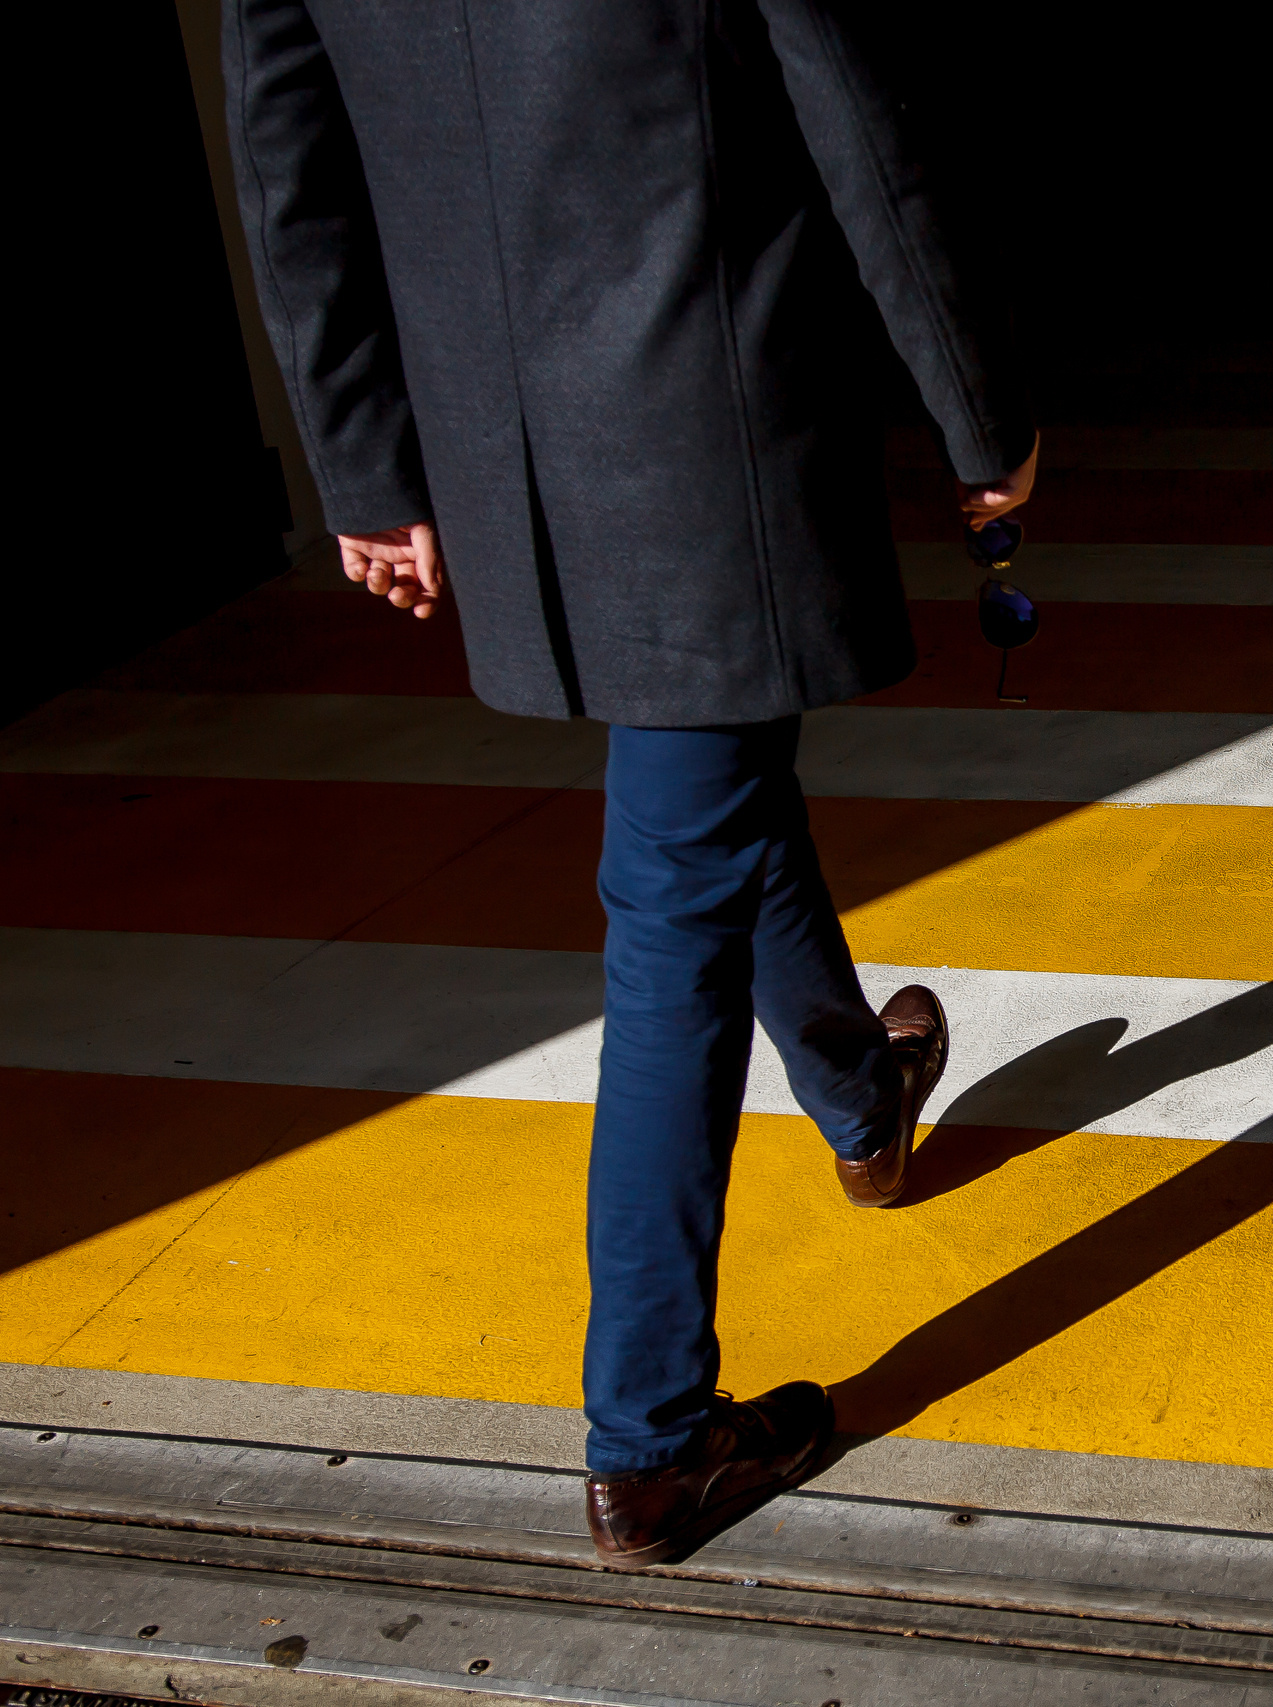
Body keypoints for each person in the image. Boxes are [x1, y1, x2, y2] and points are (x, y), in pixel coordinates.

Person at [223, 0, 1036, 1569]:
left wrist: (368, 467)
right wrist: (978, 408)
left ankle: (863, 1099)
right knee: (671, 904)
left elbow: (290, 167)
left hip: (506, 455)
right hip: (698, 437)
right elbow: (851, 107)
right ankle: (650, 1442)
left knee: (712, 803)